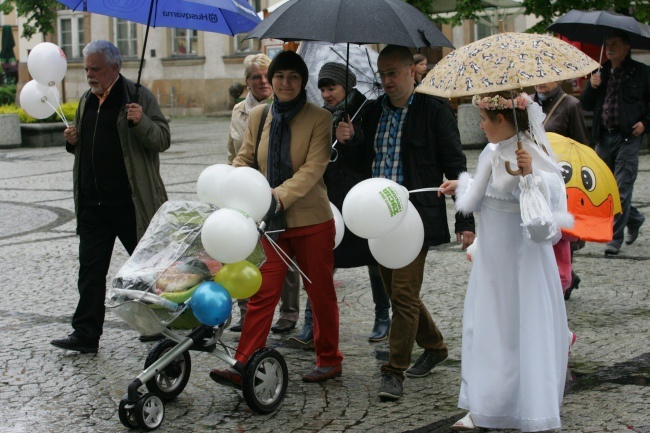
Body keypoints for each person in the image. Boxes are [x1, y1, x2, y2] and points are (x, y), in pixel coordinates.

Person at [336, 45, 475, 401]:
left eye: (393, 73)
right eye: (382, 74)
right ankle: (435, 346)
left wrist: (465, 219)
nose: (387, 81)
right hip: (378, 216)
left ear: (412, 71)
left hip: (415, 216)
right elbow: (358, 162)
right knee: (402, 294)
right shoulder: (371, 111)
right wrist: (347, 141)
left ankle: (393, 371)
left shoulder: (434, 110)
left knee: (402, 293)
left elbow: (456, 164)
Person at [439, 91, 572, 432]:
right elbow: (481, 197)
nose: (480, 125)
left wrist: (530, 178)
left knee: (521, 328)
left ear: (501, 120)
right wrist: (460, 186)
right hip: (492, 262)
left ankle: (528, 405)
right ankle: (487, 403)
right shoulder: (491, 152)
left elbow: (546, 226)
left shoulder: (535, 157)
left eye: (484, 118)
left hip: (523, 263)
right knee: (487, 328)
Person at [210, 50, 343, 385]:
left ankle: (329, 359)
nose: (286, 83)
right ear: (271, 81)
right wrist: (237, 186)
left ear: (302, 82)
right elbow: (245, 157)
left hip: (311, 219)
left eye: (293, 77)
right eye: (280, 76)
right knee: (261, 292)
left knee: (320, 292)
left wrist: (274, 197)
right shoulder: (259, 115)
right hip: (270, 223)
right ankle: (243, 364)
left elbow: (313, 169)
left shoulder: (319, 118)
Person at [51, 40, 170, 353]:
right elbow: (89, 145)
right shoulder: (86, 100)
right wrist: (72, 141)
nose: (90, 74)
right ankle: (86, 334)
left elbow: (162, 140)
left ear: (115, 68)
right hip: (93, 205)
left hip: (131, 204)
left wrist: (141, 120)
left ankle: (159, 326)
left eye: (96, 68)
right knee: (90, 271)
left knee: (146, 270)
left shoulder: (139, 96)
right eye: (86, 68)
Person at [291, 62, 391, 347]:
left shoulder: (368, 109)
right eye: (322, 88)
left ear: (347, 85)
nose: (326, 94)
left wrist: (354, 137)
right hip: (331, 196)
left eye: (331, 87)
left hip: (362, 196)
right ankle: (312, 323)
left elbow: (372, 147)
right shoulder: (323, 115)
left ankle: (382, 315)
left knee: (374, 257)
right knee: (323, 259)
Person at [226, 53, 301, 334]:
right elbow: (233, 152)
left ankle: (289, 312)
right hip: (245, 190)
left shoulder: (284, 107)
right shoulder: (238, 111)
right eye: (255, 76)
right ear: (247, 81)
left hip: (276, 190)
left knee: (282, 252)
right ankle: (245, 311)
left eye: (265, 76)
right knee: (243, 250)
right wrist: (229, 183)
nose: (262, 81)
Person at [580, 30, 649, 256]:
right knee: (602, 190)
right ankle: (635, 218)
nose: (610, 48)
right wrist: (592, 85)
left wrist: (645, 123)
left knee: (621, 189)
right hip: (603, 138)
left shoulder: (641, 73)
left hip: (628, 137)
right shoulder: (600, 72)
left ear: (627, 47)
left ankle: (614, 239)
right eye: (607, 44)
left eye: (615, 44)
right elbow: (586, 105)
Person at [534, 80, 589, 300]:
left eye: (545, 77)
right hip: (535, 177)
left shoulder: (570, 105)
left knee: (562, 234)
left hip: (561, 178)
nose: (540, 82)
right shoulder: (527, 103)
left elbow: (581, 146)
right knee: (541, 230)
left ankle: (563, 279)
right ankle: (560, 277)